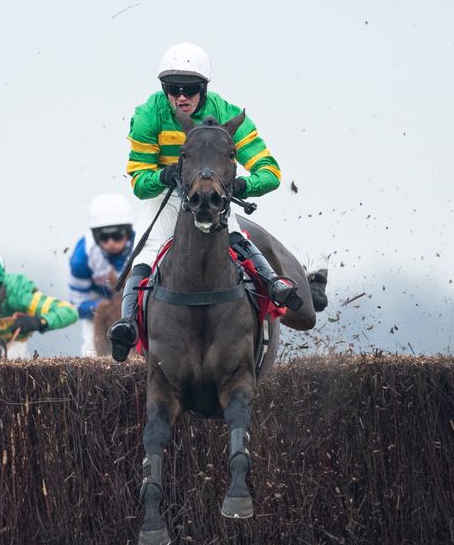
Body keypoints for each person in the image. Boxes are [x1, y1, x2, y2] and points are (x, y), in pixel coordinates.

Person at [106, 42, 305, 362]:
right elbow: (140, 185)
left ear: (204, 88)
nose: (181, 96)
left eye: (190, 89)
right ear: (163, 88)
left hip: (214, 199)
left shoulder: (226, 114)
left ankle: (274, 284)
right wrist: (165, 175)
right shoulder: (147, 115)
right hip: (168, 198)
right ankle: (128, 323)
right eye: (172, 88)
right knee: (146, 249)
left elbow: (271, 173)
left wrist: (240, 184)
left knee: (236, 236)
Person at [0, 244, 78, 359]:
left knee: (13, 357)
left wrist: (38, 321)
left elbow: (69, 311)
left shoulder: (17, 292)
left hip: (10, 348)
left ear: (1, 283)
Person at [69, 193, 136, 356]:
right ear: (94, 235)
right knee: (90, 354)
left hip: (136, 308)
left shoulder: (144, 244)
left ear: (128, 232)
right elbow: (76, 305)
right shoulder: (81, 257)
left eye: (117, 235)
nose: (111, 242)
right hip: (98, 311)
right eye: (103, 236)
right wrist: (102, 307)